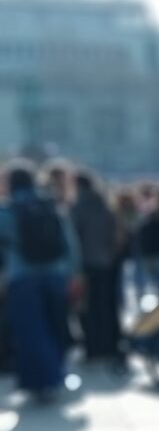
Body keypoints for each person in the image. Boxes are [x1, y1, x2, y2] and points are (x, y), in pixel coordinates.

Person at [0, 162, 80, 399]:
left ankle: (40, 379)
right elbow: (70, 242)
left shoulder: (8, 210)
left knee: (31, 330)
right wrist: (74, 272)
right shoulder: (50, 204)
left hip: (23, 277)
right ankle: (58, 372)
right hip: (56, 274)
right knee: (56, 325)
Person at [71, 171, 124, 365]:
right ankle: (112, 344)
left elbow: (74, 238)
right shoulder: (105, 206)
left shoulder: (78, 208)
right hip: (108, 262)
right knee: (109, 305)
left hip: (87, 263)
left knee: (89, 308)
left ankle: (94, 347)